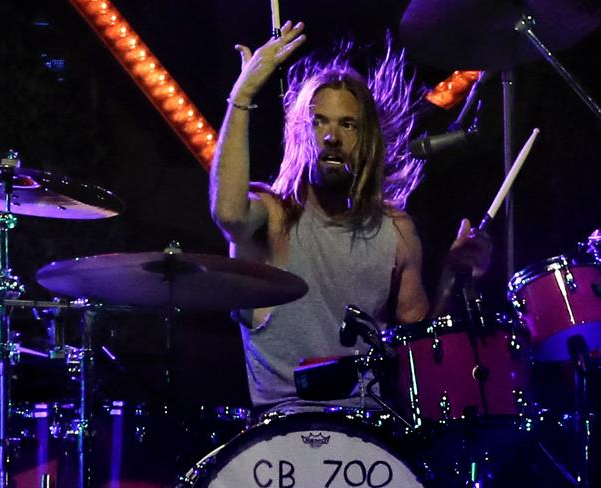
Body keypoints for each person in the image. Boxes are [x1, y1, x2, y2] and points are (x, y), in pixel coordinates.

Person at [210, 21, 491, 412]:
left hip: (366, 433)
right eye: (319, 121)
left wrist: (453, 276)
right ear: (299, 134)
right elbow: (227, 212)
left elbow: (419, 354)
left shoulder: (396, 230)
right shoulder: (271, 215)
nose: (331, 136)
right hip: (279, 436)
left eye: (347, 124)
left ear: (367, 141)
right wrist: (242, 95)